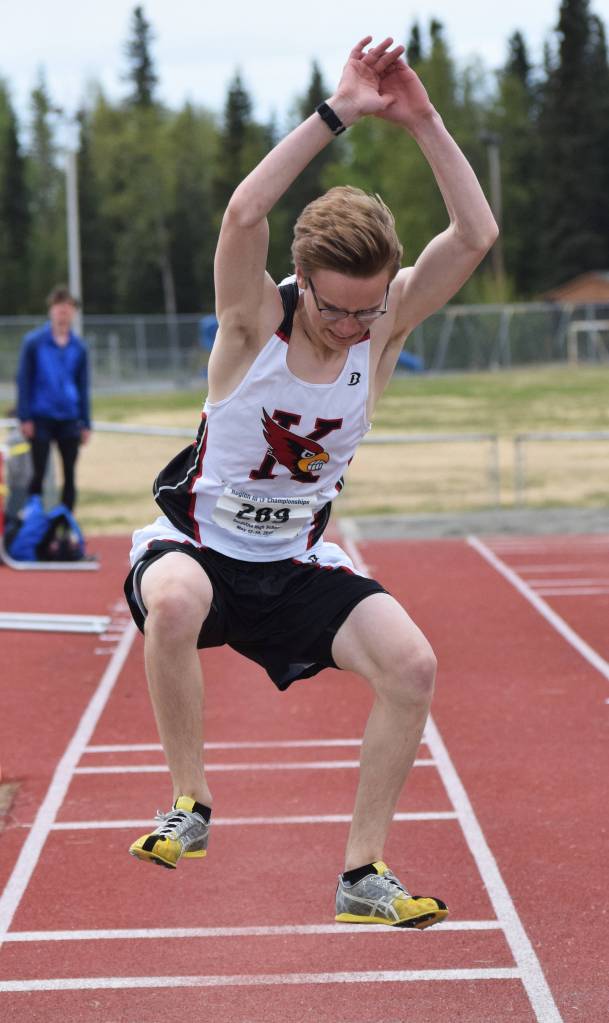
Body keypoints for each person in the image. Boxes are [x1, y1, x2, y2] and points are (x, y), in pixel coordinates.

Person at [124, 36, 498, 929]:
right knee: (172, 602)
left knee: (412, 664)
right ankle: (190, 801)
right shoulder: (254, 320)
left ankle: (361, 873)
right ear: (303, 281)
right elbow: (243, 211)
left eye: (368, 308)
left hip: (293, 563)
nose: (350, 325)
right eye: (335, 307)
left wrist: (421, 119)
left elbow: (475, 235)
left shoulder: (382, 322)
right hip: (202, 547)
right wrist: (338, 112)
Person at [16, 285, 91, 513]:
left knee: (69, 474)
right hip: (41, 417)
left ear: (74, 312)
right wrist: (25, 416)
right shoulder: (34, 343)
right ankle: (34, 522)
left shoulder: (79, 347)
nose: (63, 312)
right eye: (59, 307)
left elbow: (83, 386)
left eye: (68, 307)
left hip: (69, 418)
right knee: (38, 472)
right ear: (51, 310)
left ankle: (64, 527)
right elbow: (24, 380)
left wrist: (86, 422)